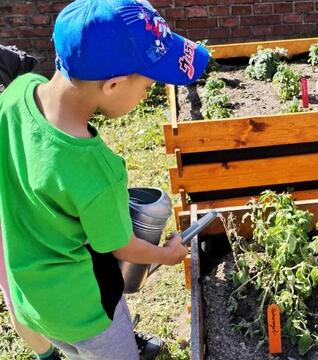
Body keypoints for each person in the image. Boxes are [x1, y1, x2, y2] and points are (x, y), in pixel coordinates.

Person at [0, 0, 209, 359]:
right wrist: (168, 254)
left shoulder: (18, 92)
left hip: (30, 296)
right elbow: (124, 247)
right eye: (148, 85)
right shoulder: (97, 169)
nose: (147, 93)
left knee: (69, 348)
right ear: (112, 85)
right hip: (87, 312)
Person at [0, 45, 61, 360]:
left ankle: (111, 334)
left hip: (28, 182)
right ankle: (48, 356)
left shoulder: (4, 61)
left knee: (77, 261)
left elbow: (36, 96)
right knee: (17, 289)